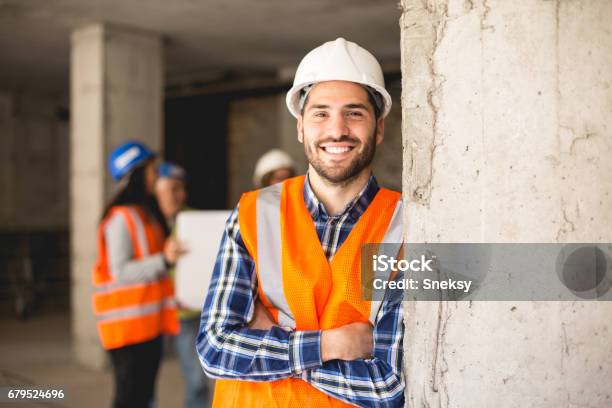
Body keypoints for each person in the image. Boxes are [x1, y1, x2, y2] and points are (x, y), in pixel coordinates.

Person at [196, 38, 405, 407]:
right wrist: (331, 344)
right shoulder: (253, 213)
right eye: (320, 113)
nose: (336, 129)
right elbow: (215, 350)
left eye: (354, 112)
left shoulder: (406, 226)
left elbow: (386, 387)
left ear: (379, 128)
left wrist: (271, 340)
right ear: (301, 128)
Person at [92, 141, 184, 408]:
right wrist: (163, 259)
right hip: (127, 331)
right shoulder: (120, 218)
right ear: (136, 174)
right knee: (129, 398)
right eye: (152, 171)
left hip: (149, 326)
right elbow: (120, 272)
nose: (156, 177)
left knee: (144, 397)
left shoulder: (146, 215)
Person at [154, 162, 210, 408]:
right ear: (156, 189)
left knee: (198, 380)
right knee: (143, 382)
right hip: (153, 312)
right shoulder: (147, 222)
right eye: (173, 189)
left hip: (188, 313)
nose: (181, 195)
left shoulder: (194, 220)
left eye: (182, 189)